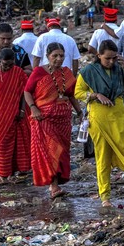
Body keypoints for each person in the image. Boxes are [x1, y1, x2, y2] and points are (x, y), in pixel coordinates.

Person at [74, 39, 124, 206]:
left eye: (114, 58)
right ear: (99, 55)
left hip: (120, 116)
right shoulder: (88, 72)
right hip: (99, 119)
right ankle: (105, 196)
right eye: (107, 58)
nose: (111, 61)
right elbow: (78, 92)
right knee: (103, 158)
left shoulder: (120, 70)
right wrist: (95, 95)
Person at [25, 41, 82, 199]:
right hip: (44, 118)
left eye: (61, 56)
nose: (58, 59)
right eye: (54, 56)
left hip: (63, 118)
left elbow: (71, 94)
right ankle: (53, 186)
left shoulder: (67, 73)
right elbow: (27, 91)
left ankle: (57, 182)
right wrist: (33, 108)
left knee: (62, 150)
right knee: (51, 150)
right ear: (47, 56)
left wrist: (79, 111)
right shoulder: (39, 72)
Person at [0, 48, 31, 183]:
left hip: (15, 112)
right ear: (0, 61)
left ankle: (13, 172)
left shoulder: (18, 72)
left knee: (17, 143)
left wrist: (22, 110)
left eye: (10, 64)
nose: (8, 67)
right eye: (5, 65)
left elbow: (24, 92)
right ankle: (2, 174)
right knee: (2, 143)